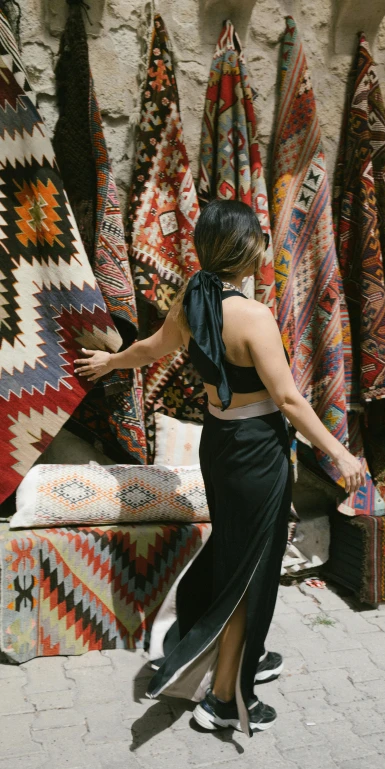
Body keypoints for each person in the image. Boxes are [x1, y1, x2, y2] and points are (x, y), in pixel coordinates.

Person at [74, 200, 365, 737]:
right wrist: (342, 455)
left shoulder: (193, 297)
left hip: (221, 443)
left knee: (237, 551)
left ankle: (244, 653)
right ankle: (225, 700)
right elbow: (290, 401)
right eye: (258, 239)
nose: (264, 247)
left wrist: (111, 361)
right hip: (256, 448)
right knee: (251, 568)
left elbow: (151, 349)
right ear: (242, 248)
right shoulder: (252, 317)